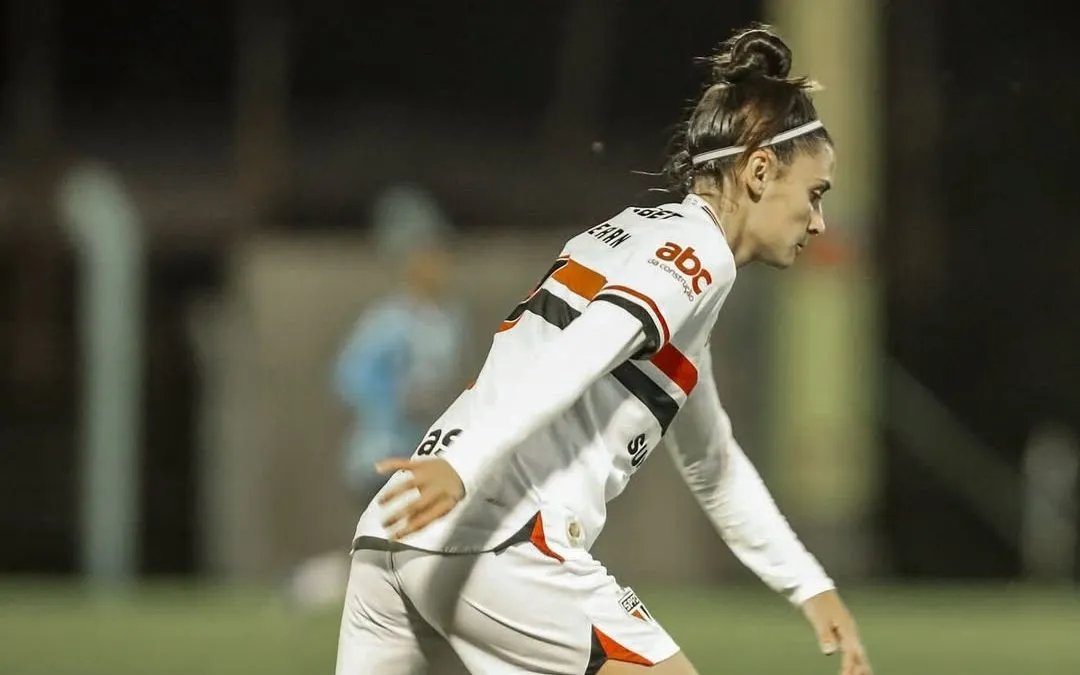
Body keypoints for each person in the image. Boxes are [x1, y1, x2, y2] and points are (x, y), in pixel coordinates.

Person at [335, 25, 872, 675]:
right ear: (760, 171)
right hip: (498, 532)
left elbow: (714, 463)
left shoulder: (641, 243)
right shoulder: (699, 257)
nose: (817, 221)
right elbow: (583, 347)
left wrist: (806, 583)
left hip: (394, 527)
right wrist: (469, 466)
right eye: (815, 194)